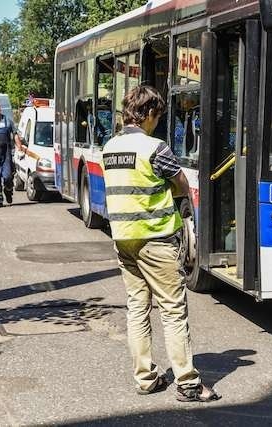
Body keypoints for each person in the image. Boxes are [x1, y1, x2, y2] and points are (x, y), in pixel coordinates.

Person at [101, 85, 220, 402]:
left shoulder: (109, 148)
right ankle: (188, 384)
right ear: (149, 114)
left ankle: (145, 378)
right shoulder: (155, 147)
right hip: (156, 239)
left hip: (124, 239)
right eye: (157, 116)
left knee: (137, 309)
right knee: (172, 310)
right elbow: (180, 183)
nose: (158, 122)